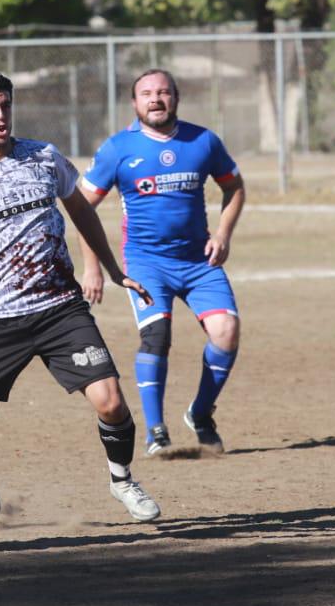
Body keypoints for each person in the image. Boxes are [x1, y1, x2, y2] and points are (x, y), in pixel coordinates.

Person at [0, 70, 163, 531]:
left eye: (6, 106)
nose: (1, 115)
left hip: (61, 310)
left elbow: (82, 213)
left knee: (111, 401)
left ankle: (122, 480)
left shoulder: (44, 157)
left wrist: (113, 271)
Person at [78, 69, 246, 454]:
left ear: (176, 99)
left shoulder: (203, 141)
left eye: (164, 92)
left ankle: (201, 414)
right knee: (157, 336)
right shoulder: (118, 149)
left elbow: (234, 187)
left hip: (198, 260)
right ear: (134, 103)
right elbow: (82, 208)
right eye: (147, 94)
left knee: (227, 332)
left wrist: (222, 234)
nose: (156, 99)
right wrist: (92, 268)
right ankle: (156, 432)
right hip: (146, 263)